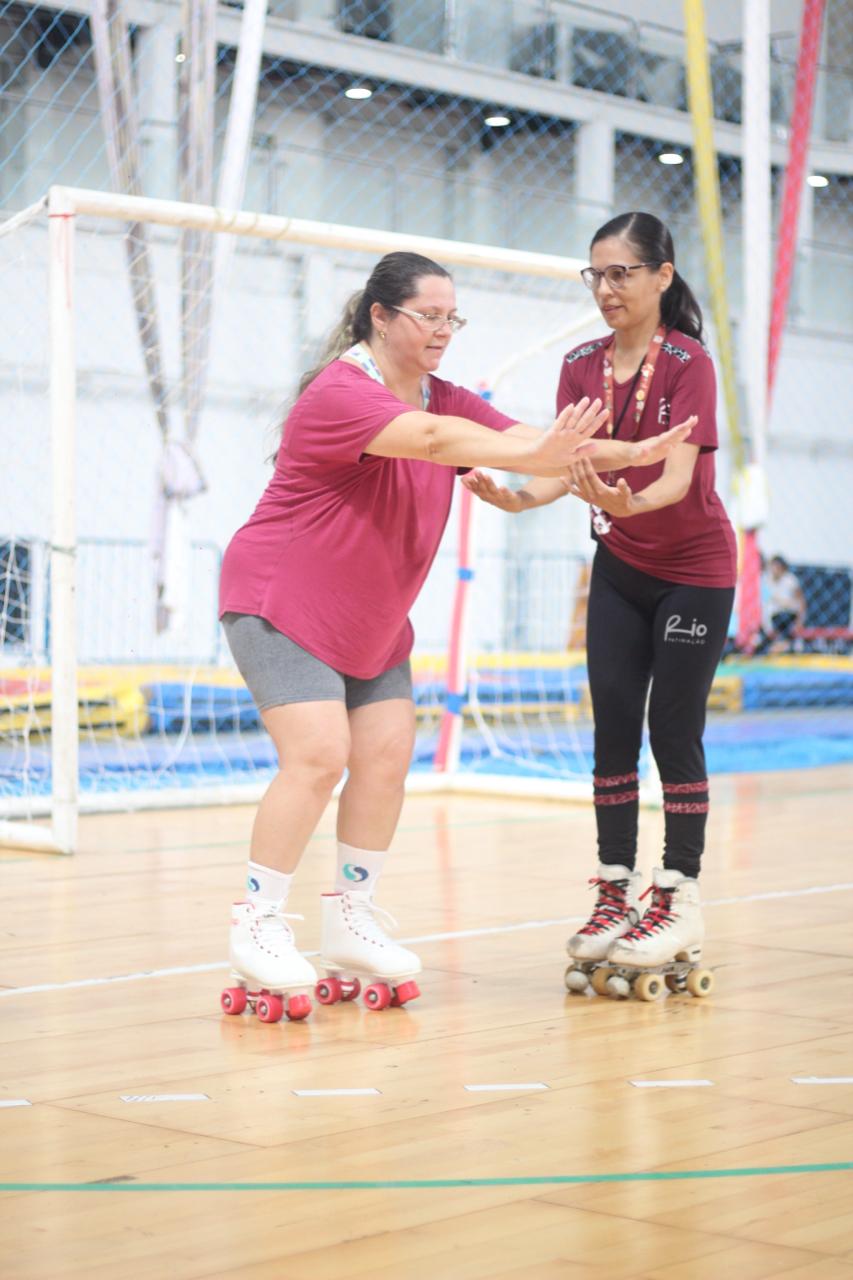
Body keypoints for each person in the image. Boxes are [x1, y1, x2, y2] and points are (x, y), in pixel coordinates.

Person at [218, 249, 691, 1017]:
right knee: (317, 757)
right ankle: (257, 922)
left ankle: (349, 917)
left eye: (451, 318)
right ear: (379, 316)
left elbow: (528, 437)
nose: (443, 330)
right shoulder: (343, 392)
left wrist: (627, 453)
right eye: (427, 316)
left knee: (383, 760)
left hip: (369, 618)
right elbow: (437, 442)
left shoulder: (447, 394)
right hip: (282, 601)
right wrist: (539, 452)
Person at [463, 212, 737, 994]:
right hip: (618, 567)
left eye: (621, 273)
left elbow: (678, 481)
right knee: (611, 723)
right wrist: (520, 499)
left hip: (693, 571)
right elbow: (564, 464)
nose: (607, 288)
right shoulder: (580, 365)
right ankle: (614, 887)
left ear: (662, 275)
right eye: (596, 274)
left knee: (671, 727)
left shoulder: (689, 364)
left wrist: (621, 503)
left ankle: (678, 892)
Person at [753, 554, 806, 654]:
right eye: (772, 566)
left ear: (783, 568)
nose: (774, 570)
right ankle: (778, 645)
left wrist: (800, 622)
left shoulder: (790, 580)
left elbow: (801, 602)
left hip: (785, 614)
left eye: (777, 567)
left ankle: (783, 644)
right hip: (770, 615)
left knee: (782, 617)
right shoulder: (765, 580)